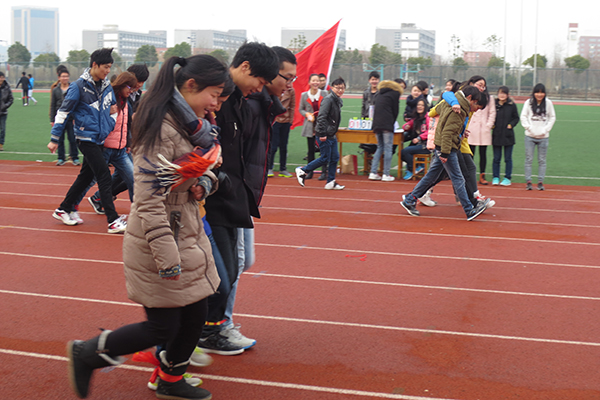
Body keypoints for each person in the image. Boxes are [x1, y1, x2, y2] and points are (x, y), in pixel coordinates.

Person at [66, 54, 226, 400]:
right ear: (191, 85)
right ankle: (87, 353)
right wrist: (167, 258)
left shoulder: (196, 126)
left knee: (196, 313)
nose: (216, 103)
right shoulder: (159, 127)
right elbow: (148, 200)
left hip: (186, 228)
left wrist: (204, 183)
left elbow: (204, 169)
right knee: (162, 326)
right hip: (159, 238)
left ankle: (170, 379)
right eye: (214, 94)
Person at [201, 42, 279, 354]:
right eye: (260, 80)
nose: (261, 88)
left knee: (231, 270)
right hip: (210, 200)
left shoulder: (240, 103)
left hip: (232, 197)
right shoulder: (216, 102)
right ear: (245, 67)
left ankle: (206, 330)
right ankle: (197, 333)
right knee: (219, 276)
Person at [222, 46, 297, 352]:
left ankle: (213, 323)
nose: (290, 84)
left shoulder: (262, 102)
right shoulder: (244, 102)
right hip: (230, 194)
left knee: (241, 261)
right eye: (286, 77)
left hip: (244, 193)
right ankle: (217, 326)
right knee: (232, 263)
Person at [47, 48, 127, 233]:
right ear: (95, 65)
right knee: (104, 175)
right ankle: (112, 220)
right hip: (85, 138)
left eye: (110, 67)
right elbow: (63, 112)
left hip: (99, 138)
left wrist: (109, 126)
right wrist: (55, 138)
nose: (108, 71)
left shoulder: (106, 87)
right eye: (105, 67)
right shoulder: (78, 87)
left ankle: (63, 209)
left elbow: (113, 110)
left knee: (86, 177)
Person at [400, 85, 490, 221]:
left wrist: (460, 131)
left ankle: (410, 199)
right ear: (470, 97)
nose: (474, 107)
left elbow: (439, 114)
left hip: (442, 145)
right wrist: (445, 153)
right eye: (475, 102)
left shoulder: (452, 103)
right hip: (447, 147)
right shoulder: (459, 110)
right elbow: (447, 132)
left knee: (432, 176)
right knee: (458, 178)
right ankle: (469, 209)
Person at [86, 72, 137, 206]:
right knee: (89, 179)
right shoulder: (108, 99)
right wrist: (106, 112)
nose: (131, 91)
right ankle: (69, 206)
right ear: (122, 85)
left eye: (133, 88)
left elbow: (127, 124)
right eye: (129, 87)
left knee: (133, 179)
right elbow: (93, 116)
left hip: (120, 151)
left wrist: (128, 142)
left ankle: (138, 210)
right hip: (105, 148)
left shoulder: (127, 103)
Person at [295, 77, 346, 190]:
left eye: (342, 88)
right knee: (325, 158)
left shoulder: (337, 100)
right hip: (325, 134)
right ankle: (303, 170)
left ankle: (331, 182)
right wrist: (322, 133)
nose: (340, 90)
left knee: (334, 157)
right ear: (332, 88)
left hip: (331, 134)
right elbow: (322, 117)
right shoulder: (328, 99)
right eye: (337, 88)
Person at [521, 83, 556, 191]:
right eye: (537, 92)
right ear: (534, 93)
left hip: (543, 137)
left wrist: (545, 130)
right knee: (529, 159)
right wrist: (529, 128)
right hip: (530, 136)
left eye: (541, 92)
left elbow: (552, 117)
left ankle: (540, 182)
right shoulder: (529, 102)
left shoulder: (548, 103)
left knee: (542, 160)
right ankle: (528, 181)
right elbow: (523, 116)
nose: (539, 95)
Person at [368, 78, 403, 182]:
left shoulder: (379, 93)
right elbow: (395, 110)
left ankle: (373, 172)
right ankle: (386, 174)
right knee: (388, 148)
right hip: (387, 124)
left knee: (380, 147)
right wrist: (392, 122)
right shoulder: (395, 94)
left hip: (376, 124)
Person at [464, 76, 496, 185]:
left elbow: (492, 112)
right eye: (479, 85)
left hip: (483, 129)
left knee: (483, 154)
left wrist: (488, 126)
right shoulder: (468, 96)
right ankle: (469, 176)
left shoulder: (489, 98)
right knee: (470, 152)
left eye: (483, 86)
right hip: (471, 129)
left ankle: (482, 175)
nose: (481, 88)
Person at [298, 74, 329, 180]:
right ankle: (309, 171)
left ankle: (324, 172)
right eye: (313, 80)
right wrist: (307, 114)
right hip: (310, 126)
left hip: (322, 125)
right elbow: (301, 109)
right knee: (311, 150)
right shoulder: (304, 95)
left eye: (317, 81)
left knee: (323, 150)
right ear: (309, 82)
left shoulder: (324, 93)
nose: (315, 83)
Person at [50, 68, 80, 166]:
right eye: (63, 76)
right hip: (59, 119)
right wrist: (52, 119)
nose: (65, 78)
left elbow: (77, 104)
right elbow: (53, 105)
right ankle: (61, 158)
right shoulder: (55, 90)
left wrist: (76, 118)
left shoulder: (73, 88)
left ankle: (75, 157)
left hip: (71, 118)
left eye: (67, 76)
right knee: (60, 139)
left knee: (73, 139)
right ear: (59, 77)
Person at [492, 86, 520, 186]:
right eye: (500, 93)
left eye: (504, 93)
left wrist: (511, 125)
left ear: (508, 95)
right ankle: (495, 177)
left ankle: (507, 178)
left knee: (508, 158)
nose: (502, 95)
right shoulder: (494, 104)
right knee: (496, 158)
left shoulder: (511, 105)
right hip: (496, 135)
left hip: (508, 136)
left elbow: (516, 118)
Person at [267, 82, 296, 177]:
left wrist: (290, 120)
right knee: (273, 146)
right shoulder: (276, 89)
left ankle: (283, 169)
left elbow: (292, 106)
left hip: (286, 121)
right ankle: (269, 168)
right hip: (276, 120)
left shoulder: (291, 91)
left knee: (284, 146)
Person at [401, 99, 431, 180]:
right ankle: (417, 166)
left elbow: (430, 131)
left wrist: (419, 138)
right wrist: (406, 126)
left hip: (426, 145)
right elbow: (408, 124)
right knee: (402, 153)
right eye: (418, 105)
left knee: (405, 151)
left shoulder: (428, 118)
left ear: (425, 107)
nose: (420, 107)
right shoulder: (416, 118)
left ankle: (412, 169)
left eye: (422, 105)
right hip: (418, 144)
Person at [0, 72, 14, 152]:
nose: (1, 79)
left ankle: (1, 144)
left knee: (2, 129)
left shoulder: (6, 87)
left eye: (2, 77)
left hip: (3, 112)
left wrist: (5, 106)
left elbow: (11, 99)